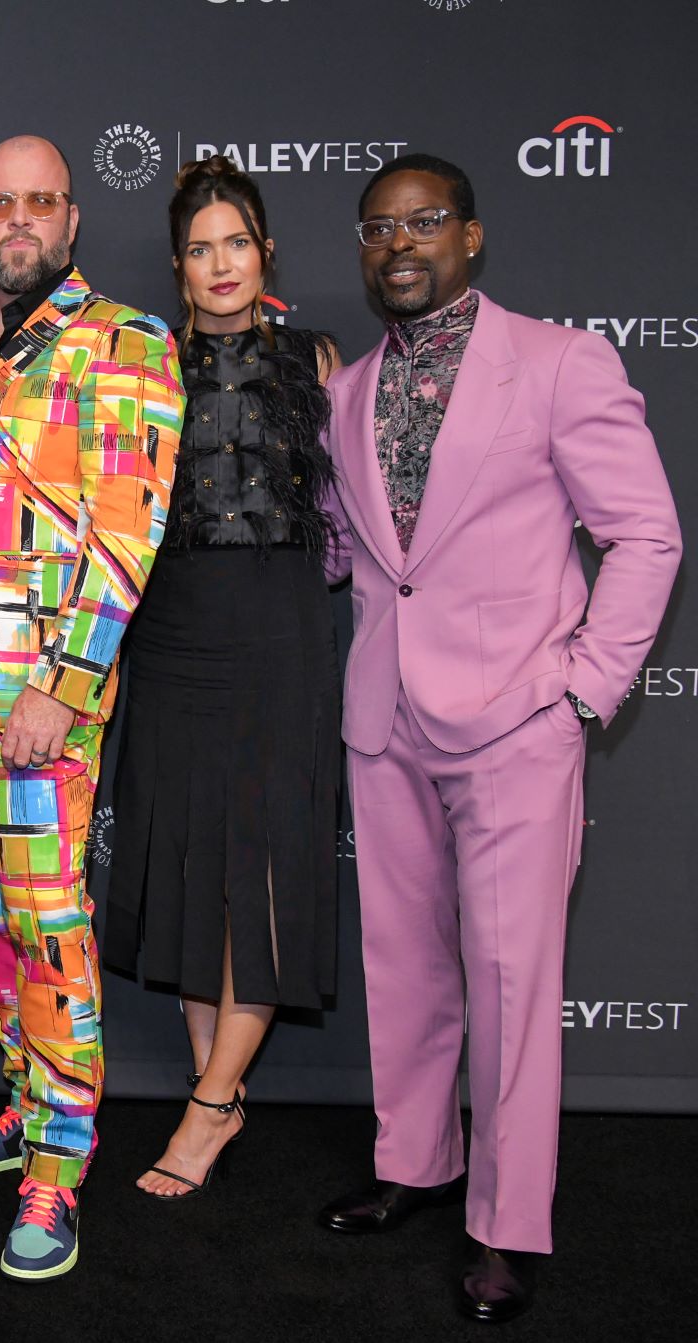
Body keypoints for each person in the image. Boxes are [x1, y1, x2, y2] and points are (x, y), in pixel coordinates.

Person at [316, 153, 679, 1323]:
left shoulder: (559, 360)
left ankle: (505, 1221)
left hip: (518, 720)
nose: (398, 244)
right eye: (377, 228)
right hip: (383, 717)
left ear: (471, 237)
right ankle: (413, 1165)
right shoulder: (344, 389)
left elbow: (645, 533)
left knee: (512, 982)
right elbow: (349, 549)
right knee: (405, 967)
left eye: (423, 223)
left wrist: (582, 687)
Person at [0, 134, 184, 1279]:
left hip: (35, 707)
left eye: (39, 203)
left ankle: (59, 1169)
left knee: (50, 931)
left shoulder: (127, 340)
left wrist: (62, 687)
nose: (17, 220)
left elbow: (127, 530)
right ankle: (23, 1103)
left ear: (70, 221)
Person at [101, 156, 341, 1200]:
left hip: (278, 632)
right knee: (192, 861)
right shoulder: (142, 363)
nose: (219, 263)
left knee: (263, 863)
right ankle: (219, 1087)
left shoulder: (317, 361)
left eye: (234, 241)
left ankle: (206, 1107)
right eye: (198, 248)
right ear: (176, 266)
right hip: (169, 633)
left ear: (265, 251)